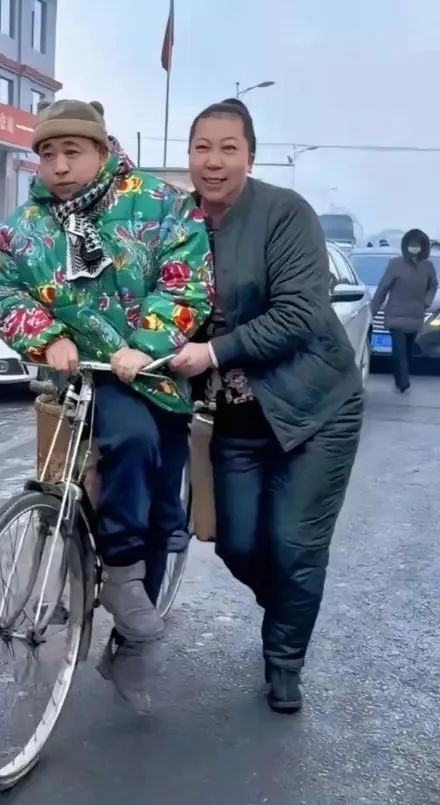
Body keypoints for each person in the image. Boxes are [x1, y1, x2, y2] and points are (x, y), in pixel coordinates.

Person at [0, 99, 214, 712]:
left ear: (102, 150)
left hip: (155, 375)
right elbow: (1, 288)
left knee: (167, 513)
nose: (59, 165)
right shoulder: (24, 227)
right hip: (84, 378)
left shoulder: (160, 204)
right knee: (127, 445)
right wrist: (46, 336)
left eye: (72, 151)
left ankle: (131, 645)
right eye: (48, 153)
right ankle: (119, 577)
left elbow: (187, 282)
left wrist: (145, 345)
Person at [170, 98, 364, 714]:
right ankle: (289, 607)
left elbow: (303, 313)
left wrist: (214, 352)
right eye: (203, 147)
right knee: (235, 542)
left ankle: (284, 660)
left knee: (293, 544)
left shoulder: (286, 214)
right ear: (190, 156)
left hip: (315, 408)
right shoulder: (177, 222)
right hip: (237, 420)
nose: (215, 161)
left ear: (250, 156)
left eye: (229, 148)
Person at [371, 229, 438, 393]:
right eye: (411, 244)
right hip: (396, 315)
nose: (414, 248)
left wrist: (427, 301)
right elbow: (383, 288)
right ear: (405, 246)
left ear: (423, 247)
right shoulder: (395, 265)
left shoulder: (428, 267)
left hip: (415, 315)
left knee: (407, 351)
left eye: (417, 245)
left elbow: (434, 285)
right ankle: (402, 381)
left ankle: (401, 375)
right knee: (399, 351)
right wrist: (372, 309)